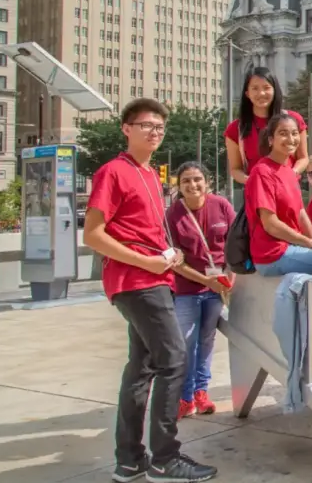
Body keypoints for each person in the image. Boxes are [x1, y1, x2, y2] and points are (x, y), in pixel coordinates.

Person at [82, 98, 218, 483]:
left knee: (140, 369)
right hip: (138, 282)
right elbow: (93, 235)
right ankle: (165, 458)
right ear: (126, 128)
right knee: (174, 359)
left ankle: (129, 460)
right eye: (146, 125)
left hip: (155, 276)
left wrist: (168, 254)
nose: (154, 132)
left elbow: (144, 232)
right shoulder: (113, 172)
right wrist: (148, 262)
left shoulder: (150, 175)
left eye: (159, 127)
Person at [167, 162, 235, 420]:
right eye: (186, 181)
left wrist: (230, 274)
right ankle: (184, 397)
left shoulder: (222, 206)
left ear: (207, 182)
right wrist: (208, 282)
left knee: (206, 341)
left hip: (218, 287)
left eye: (197, 179)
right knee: (186, 343)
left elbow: (235, 243)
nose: (192, 185)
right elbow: (175, 262)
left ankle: (201, 393)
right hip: (187, 288)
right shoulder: (172, 215)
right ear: (179, 186)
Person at [245, 113, 312, 276]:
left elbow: (301, 213)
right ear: (271, 139)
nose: (291, 138)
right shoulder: (262, 172)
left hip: (292, 249)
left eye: (294, 133)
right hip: (273, 254)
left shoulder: (289, 171)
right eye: (283, 133)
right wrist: (308, 242)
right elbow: (270, 224)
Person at [224, 66, 308, 186]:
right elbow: (235, 169)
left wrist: (291, 174)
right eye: (255, 88)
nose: (261, 93)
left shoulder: (293, 120)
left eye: (266, 88)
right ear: (247, 93)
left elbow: (303, 158)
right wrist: (253, 180)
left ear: (275, 90)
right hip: (256, 193)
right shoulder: (235, 129)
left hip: (288, 188)